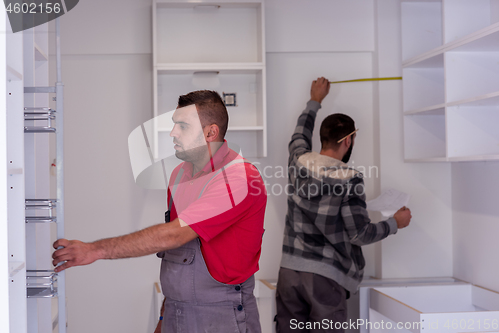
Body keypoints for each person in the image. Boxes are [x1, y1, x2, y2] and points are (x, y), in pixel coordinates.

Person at [52, 90, 267, 333]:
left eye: (183, 126)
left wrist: (94, 249)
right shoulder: (179, 175)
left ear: (210, 132)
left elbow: (174, 235)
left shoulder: (240, 178)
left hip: (222, 316)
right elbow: (179, 255)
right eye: (174, 125)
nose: (173, 133)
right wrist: (165, 318)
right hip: (176, 311)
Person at [275, 77, 412, 333]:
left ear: (323, 138)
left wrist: (315, 100)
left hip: (289, 274)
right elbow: (360, 234)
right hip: (325, 280)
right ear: (348, 140)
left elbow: (298, 134)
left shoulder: (298, 161)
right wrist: (395, 223)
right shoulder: (350, 178)